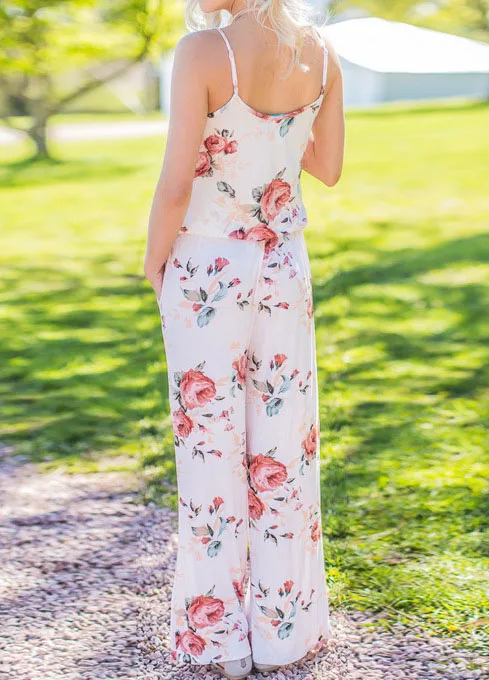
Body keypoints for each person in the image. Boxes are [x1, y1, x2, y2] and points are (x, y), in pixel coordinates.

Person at [143, 0, 344, 675]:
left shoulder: (204, 51)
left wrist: (154, 261)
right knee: (285, 447)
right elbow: (328, 166)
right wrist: (276, 135)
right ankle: (286, 634)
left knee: (210, 443)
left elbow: (177, 182)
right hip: (284, 262)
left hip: (208, 263)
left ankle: (220, 641)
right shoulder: (321, 51)